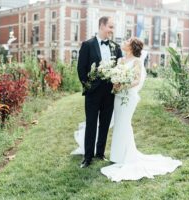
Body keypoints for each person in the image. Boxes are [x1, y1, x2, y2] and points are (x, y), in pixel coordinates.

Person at [99, 37, 182, 181]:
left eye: (127, 42)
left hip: (128, 97)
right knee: (119, 124)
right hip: (118, 97)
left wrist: (122, 85)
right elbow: (115, 77)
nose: (124, 42)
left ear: (131, 47)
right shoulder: (120, 61)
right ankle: (118, 156)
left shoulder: (137, 61)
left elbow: (136, 80)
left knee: (124, 124)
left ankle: (128, 156)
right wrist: (115, 83)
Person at [77, 16, 122, 168]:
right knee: (91, 123)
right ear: (102, 26)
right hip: (93, 93)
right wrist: (88, 86)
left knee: (105, 123)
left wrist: (118, 83)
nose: (112, 30)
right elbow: (81, 69)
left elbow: (120, 68)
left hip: (110, 92)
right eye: (110, 26)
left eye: (113, 27)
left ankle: (100, 153)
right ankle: (87, 157)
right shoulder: (87, 45)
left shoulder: (116, 47)